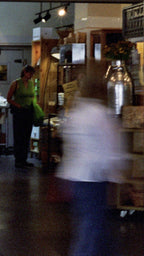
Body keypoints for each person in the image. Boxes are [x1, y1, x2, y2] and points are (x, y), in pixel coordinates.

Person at [56, 63, 126, 256]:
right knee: (92, 228)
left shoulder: (77, 111)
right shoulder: (101, 114)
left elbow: (67, 141)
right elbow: (111, 148)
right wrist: (117, 175)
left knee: (88, 225)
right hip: (94, 177)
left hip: (75, 175)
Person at [6, 65, 37, 168]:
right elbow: (9, 98)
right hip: (19, 112)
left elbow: (33, 96)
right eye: (30, 73)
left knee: (26, 135)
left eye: (32, 74)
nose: (31, 75)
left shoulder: (32, 83)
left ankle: (24, 158)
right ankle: (18, 159)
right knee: (19, 135)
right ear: (24, 72)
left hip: (29, 111)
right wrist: (17, 105)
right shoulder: (16, 83)